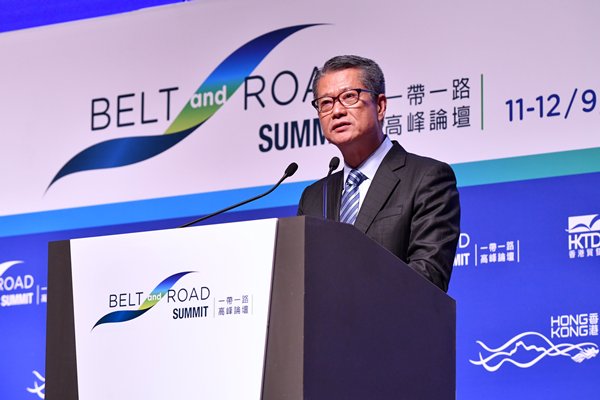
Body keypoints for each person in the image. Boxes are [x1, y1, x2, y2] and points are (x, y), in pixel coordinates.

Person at [297, 55, 460, 292]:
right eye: (326, 103)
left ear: (380, 106)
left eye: (349, 97)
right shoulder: (313, 197)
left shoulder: (426, 178)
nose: (337, 111)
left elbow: (428, 277)